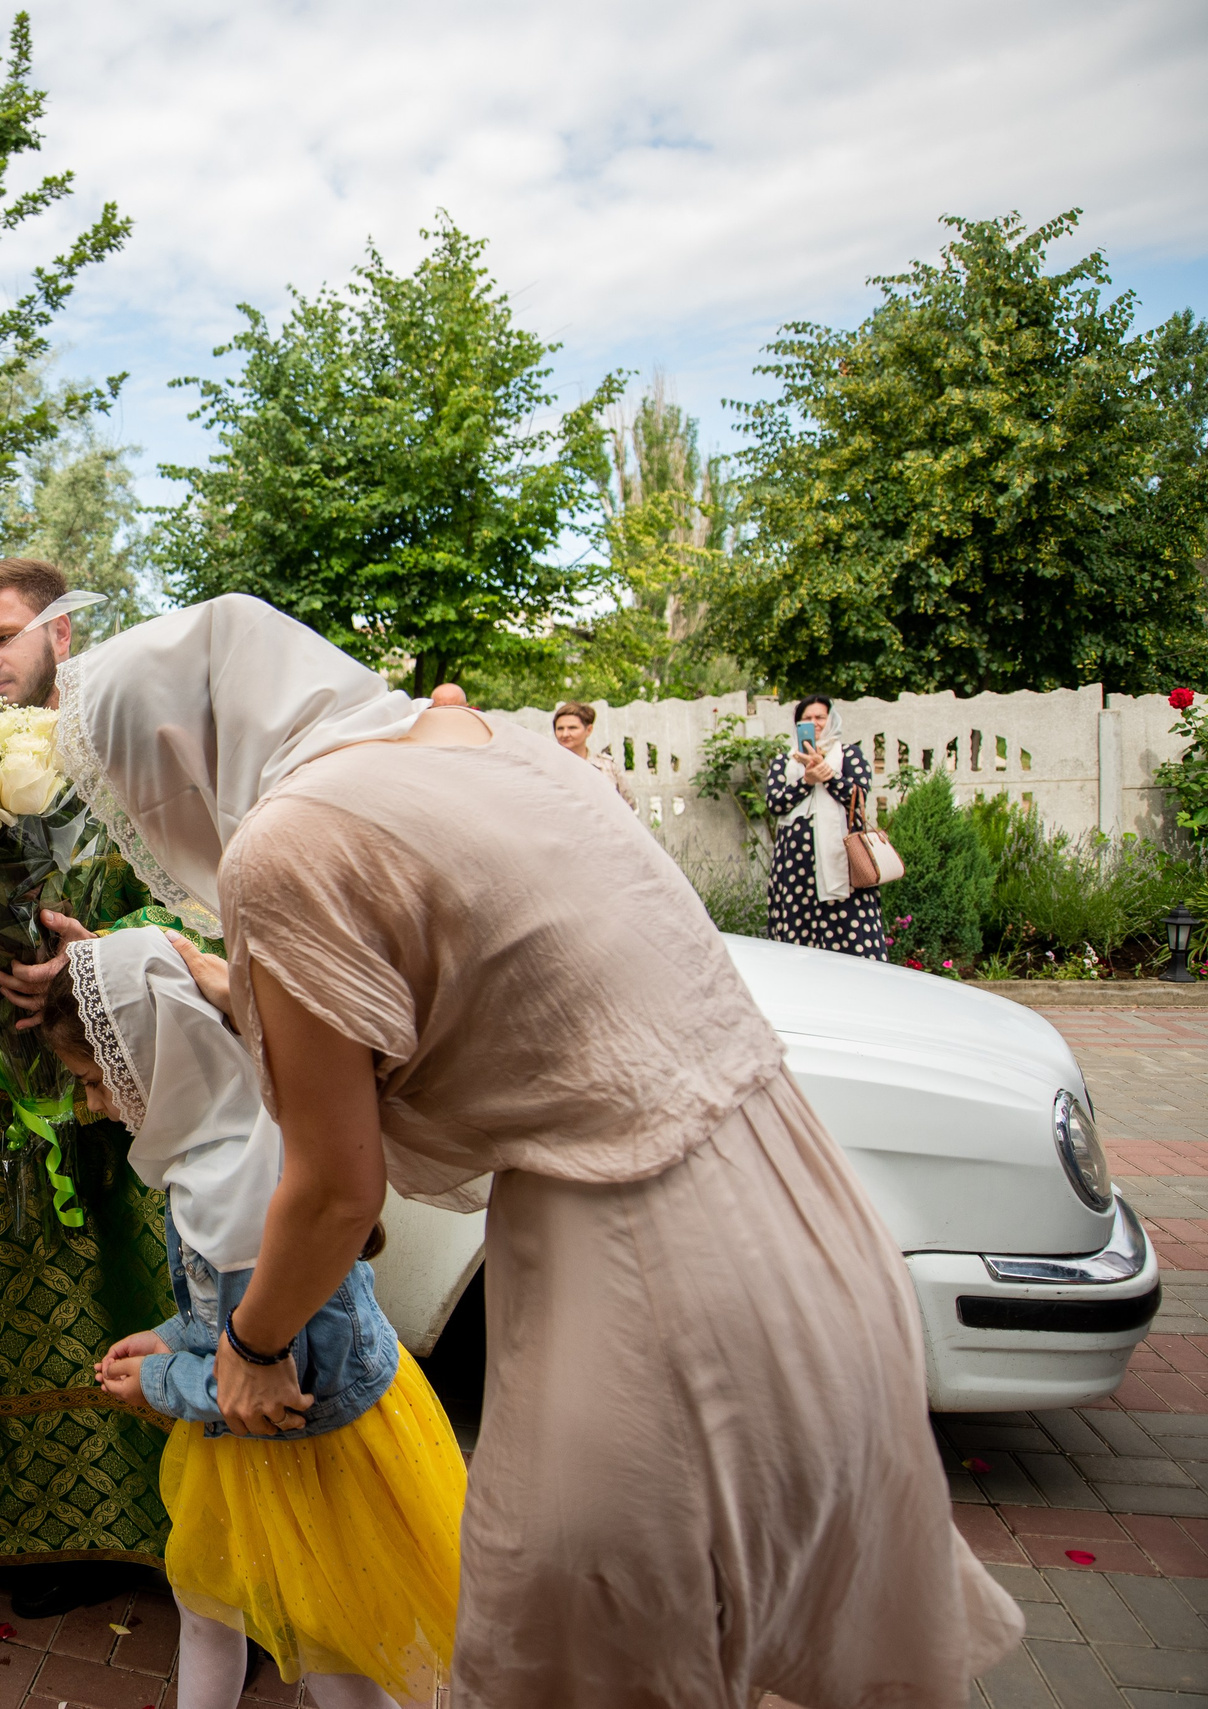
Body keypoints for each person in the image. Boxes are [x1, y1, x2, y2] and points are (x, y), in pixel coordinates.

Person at [49, 595, 1021, 1708]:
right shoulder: (481, 742)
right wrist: (226, 984)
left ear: (174, 756)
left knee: (589, 1660)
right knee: (781, 1641)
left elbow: (330, 1193)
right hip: (807, 1218)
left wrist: (250, 1346)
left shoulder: (284, 846)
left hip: (642, 1265)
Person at [40, 930, 466, 1709]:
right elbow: (229, 1321)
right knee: (205, 1602)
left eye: (96, 1079)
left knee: (335, 1649)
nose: (92, 1103)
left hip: (315, 1452)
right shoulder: (221, 1144)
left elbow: (279, 1386)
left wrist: (162, 1380)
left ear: (156, 1062)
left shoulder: (246, 1193)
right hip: (256, 1447)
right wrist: (174, 1335)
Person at [0, 557, 186, 1614]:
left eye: (2, 637)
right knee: (30, 1307)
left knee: (149, 1301)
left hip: (132, 1103)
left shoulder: (137, 754)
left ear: (61, 635)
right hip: (15, 1094)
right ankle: (43, 1541)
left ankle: (174, 1532)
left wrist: (104, 959)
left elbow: (210, 912)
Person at [764, 694, 887, 958]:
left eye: (820, 717)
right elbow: (775, 804)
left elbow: (859, 796)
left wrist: (827, 774)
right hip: (795, 868)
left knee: (850, 933)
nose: (814, 723)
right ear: (798, 724)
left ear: (831, 720)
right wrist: (806, 780)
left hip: (843, 862)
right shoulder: (784, 762)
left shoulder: (849, 755)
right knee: (799, 935)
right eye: (806, 718)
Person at [551, 700, 637, 811]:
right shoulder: (547, 766)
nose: (565, 734)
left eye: (572, 728)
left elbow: (629, 805)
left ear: (589, 730)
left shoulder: (608, 767)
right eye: (560, 729)